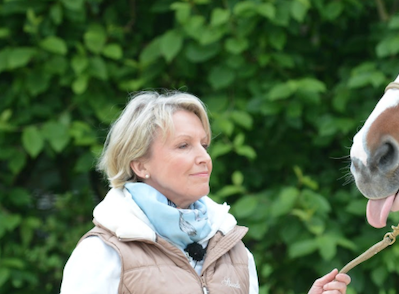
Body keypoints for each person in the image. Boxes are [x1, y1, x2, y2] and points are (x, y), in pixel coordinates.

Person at [61, 91, 351, 294]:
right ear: (140, 164)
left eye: (204, 144)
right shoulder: (103, 253)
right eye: (184, 145)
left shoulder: (234, 250)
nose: (204, 157)